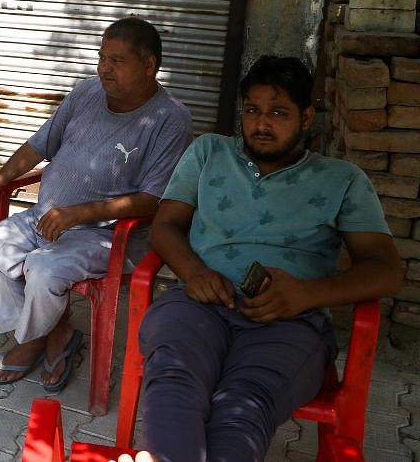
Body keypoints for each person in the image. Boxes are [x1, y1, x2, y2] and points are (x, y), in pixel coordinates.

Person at [139, 55, 402, 462]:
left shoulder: (342, 180)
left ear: (307, 116)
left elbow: (386, 271)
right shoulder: (209, 153)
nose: (262, 124)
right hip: (201, 303)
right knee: (175, 379)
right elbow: (165, 225)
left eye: (279, 112)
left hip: (290, 320)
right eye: (252, 111)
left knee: (243, 403)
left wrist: (305, 295)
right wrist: (195, 272)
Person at [0, 16, 193, 391]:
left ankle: (28, 343)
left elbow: (154, 200)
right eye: (102, 57)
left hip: (105, 235)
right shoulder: (87, 92)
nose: (104, 68)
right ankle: (53, 334)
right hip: (47, 218)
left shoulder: (170, 120)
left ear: (150, 65)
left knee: (42, 271)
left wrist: (80, 213)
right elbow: (41, 143)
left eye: (117, 61)